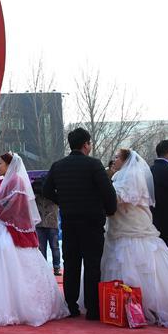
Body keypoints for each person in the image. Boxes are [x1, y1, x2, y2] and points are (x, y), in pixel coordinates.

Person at [0, 153, 69, 326]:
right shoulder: (4, 180)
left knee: (7, 261)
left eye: (0, 163)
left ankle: (13, 305)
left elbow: (11, 205)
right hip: (0, 226)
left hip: (7, 228)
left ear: (9, 165)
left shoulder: (16, 181)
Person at [42, 128, 117, 320]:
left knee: (71, 263)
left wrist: (62, 201)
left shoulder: (58, 166)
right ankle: (92, 309)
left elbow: (46, 189)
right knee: (92, 264)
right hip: (92, 221)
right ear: (86, 144)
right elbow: (108, 192)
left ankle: (71, 306)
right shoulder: (94, 165)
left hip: (69, 221)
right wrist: (109, 210)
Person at [101, 148, 168, 326]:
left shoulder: (132, 176)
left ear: (126, 160)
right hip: (120, 227)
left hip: (133, 228)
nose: (114, 160)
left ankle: (139, 304)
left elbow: (121, 198)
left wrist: (103, 188)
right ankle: (123, 304)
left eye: (117, 157)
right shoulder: (119, 176)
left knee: (136, 263)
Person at [32, 177, 61, 275]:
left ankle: (55, 267)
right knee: (45, 247)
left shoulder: (53, 194)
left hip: (50, 223)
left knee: (53, 247)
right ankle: (47, 268)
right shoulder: (36, 196)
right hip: (43, 224)